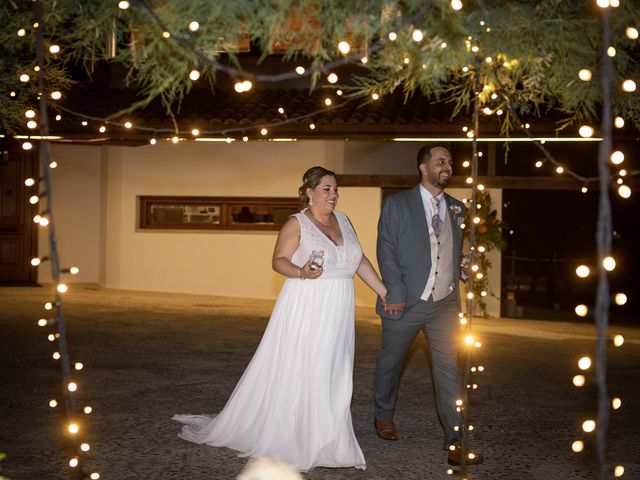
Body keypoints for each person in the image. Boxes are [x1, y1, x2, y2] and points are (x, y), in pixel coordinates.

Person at [173, 166, 387, 472]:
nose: (333, 195)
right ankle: (301, 435)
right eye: (326, 189)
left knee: (335, 367)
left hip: (339, 307)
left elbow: (358, 259)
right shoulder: (296, 223)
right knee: (307, 366)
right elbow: (278, 261)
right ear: (309, 192)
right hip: (308, 303)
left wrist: (382, 291)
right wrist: (301, 271)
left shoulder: (344, 221)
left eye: (336, 189)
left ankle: (329, 434)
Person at [372, 143, 482, 466]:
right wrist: (395, 291)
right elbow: (386, 249)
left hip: (444, 303)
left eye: (449, 161)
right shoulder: (397, 204)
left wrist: (463, 266)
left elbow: (452, 251)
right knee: (391, 362)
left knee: (449, 368)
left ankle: (455, 438)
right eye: (440, 161)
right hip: (405, 301)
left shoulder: (458, 208)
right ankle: (383, 415)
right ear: (423, 167)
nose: (447, 165)